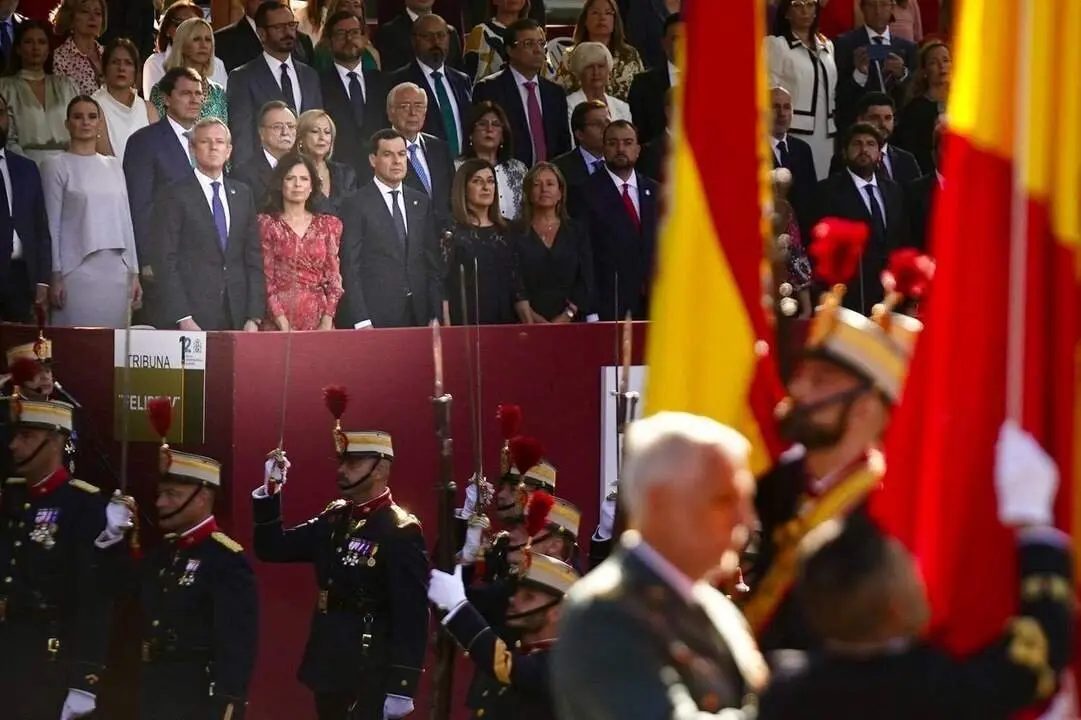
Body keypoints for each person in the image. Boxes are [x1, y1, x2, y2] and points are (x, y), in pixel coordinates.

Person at [758, 423, 1074, 719]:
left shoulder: (782, 691)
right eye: (907, 567)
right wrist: (1034, 525)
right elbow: (1038, 653)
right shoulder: (932, 688)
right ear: (896, 610)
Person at [743, 270, 923, 654]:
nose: (798, 390)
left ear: (864, 409)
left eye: (822, 380)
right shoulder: (774, 481)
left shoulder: (890, 509)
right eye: (803, 375)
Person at [550, 412, 769, 718]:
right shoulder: (603, 614)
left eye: (746, 500)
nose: (744, 520)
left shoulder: (716, 608)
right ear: (660, 503)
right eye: (724, 500)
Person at [251, 390, 429, 720]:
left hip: (370, 665)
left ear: (380, 469)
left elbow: (412, 615)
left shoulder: (400, 530)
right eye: (342, 462)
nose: (343, 470)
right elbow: (272, 547)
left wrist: (402, 685)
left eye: (353, 462)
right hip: (329, 660)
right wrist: (270, 492)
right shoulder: (334, 518)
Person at [0, 396, 131, 720]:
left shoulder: (83, 506)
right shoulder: (11, 498)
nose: (14, 445)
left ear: (55, 440)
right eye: (14, 435)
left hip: (50, 657)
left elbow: (96, 599)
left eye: (27, 436)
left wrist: (85, 680)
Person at [137, 400, 259, 719]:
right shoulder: (165, 553)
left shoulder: (226, 560)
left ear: (202, 497)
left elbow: (236, 647)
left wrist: (227, 706)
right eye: (160, 494)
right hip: (156, 689)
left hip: (196, 697)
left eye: (172, 495)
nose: (161, 503)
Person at [429, 551, 580, 720]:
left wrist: (457, 608)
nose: (513, 599)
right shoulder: (522, 648)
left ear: (556, 612)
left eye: (528, 597)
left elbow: (504, 663)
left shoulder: (564, 665)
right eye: (517, 592)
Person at [152, 117, 265, 331]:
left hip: (238, 315)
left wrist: (254, 316)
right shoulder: (174, 194)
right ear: (192, 148)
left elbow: (253, 257)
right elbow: (165, 260)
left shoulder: (242, 193)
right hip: (192, 315)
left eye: (220, 142)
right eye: (205, 142)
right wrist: (182, 316)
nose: (214, 147)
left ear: (229, 150)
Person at [40, 94, 141, 328]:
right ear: (67, 124)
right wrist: (54, 273)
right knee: (75, 348)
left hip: (117, 271)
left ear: (99, 123)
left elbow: (126, 219)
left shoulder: (114, 165)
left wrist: (134, 272)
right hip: (75, 271)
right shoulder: (54, 165)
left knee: (110, 351)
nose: (85, 122)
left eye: (92, 116)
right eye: (78, 117)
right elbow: (51, 225)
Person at [337, 128, 442, 329]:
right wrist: (361, 320)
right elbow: (350, 266)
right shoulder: (355, 204)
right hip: (375, 318)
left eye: (401, 154)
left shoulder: (420, 202)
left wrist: (434, 314)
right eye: (388, 154)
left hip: (419, 315)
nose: (397, 161)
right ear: (372, 159)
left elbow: (431, 263)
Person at [571, 119, 657, 321]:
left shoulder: (656, 191)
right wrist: (591, 310)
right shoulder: (584, 193)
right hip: (610, 306)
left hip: (655, 306)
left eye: (627, 143)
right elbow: (584, 257)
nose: (620, 149)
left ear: (637, 149)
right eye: (612, 143)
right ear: (604, 149)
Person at [226, 1, 323, 166]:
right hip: (263, 177)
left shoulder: (310, 75)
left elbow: (317, 126)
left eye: (291, 25)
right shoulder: (242, 77)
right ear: (261, 34)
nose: (288, 32)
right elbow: (242, 137)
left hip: (307, 173)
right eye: (279, 27)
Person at [258, 151, 344, 331]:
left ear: (312, 185)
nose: (298, 184)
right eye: (290, 178)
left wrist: (327, 319)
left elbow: (334, 279)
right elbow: (266, 279)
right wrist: (282, 322)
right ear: (280, 183)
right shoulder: (267, 225)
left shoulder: (328, 225)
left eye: (304, 179)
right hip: (278, 323)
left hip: (320, 321)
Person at [472, 18, 572, 167]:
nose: (538, 50)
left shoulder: (555, 93)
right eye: (529, 44)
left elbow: (563, 146)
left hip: (547, 181)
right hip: (506, 178)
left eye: (541, 43)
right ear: (510, 50)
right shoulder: (489, 89)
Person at [441, 157, 525, 325]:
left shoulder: (508, 230)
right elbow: (443, 285)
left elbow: (517, 284)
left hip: (504, 322)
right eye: (477, 182)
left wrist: (527, 320)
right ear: (463, 188)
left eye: (491, 181)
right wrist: (447, 329)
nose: (486, 187)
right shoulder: (451, 230)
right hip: (465, 324)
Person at [765, 0, 838, 180]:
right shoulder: (777, 45)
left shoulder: (827, 45)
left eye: (810, 4)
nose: (805, 11)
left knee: (821, 187)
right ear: (787, 12)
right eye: (798, 5)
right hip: (793, 131)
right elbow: (768, 91)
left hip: (827, 135)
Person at [514, 162, 593, 323]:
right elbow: (513, 279)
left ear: (560, 193)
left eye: (550, 184)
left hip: (571, 322)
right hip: (526, 321)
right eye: (537, 184)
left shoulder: (576, 231)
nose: (544, 189)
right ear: (528, 192)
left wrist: (567, 315)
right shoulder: (514, 232)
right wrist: (532, 317)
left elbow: (586, 278)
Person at [316, 8, 389, 181]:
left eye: (354, 32)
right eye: (341, 33)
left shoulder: (382, 81)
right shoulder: (318, 83)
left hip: (379, 174)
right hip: (338, 176)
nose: (349, 39)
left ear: (365, 38)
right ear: (329, 41)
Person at [386, 12, 471, 156]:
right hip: (427, 165)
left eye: (441, 35)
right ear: (414, 40)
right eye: (427, 36)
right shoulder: (398, 81)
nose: (435, 41)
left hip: (464, 165)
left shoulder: (462, 80)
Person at [0, 92, 51, 324]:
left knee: (24, 355)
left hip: (23, 280)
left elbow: (41, 228)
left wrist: (42, 281)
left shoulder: (26, 168)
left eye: (0, 114)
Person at [0, 20, 79, 166]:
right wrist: (28, 168)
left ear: (49, 49)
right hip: (22, 166)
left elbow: (79, 129)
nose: (35, 47)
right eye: (29, 42)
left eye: (41, 42)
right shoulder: (4, 87)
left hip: (69, 165)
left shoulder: (66, 85)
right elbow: (7, 138)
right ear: (18, 48)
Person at [553, 0, 644, 101]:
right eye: (595, 12)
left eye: (608, 13)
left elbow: (643, 93)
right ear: (585, 20)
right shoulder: (570, 56)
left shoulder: (629, 55)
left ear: (615, 21)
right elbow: (559, 94)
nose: (602, 18)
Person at [456, 100, 528, 221]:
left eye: (495, 124)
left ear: (502, 135)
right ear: (470, 134)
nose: (489, 129)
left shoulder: (518, 169)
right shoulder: (457, 168)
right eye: (482, 124)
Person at [150, 17, 229, 125]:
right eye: (196, 39)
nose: (203, 45)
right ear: (182, 44)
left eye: (208, 39)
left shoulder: (217, 92)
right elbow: (157, 132)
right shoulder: (162, 90)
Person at [142, 1, 227, 98]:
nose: (187, 31)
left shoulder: (218, 65)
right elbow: (156, 108)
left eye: (195, 26)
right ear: (167, 29)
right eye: (180, 24)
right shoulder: (155, 63)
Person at [93, 38, 157, 162]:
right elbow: (103, 157)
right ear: (105, 68)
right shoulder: (94, 106)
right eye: (115, 62)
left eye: (128, 63)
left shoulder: (148, 109)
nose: (121, 68)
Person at [230, 100, 298, 212]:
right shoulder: (244, 174)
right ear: (261, 133)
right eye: (277, 127)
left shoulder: (304, 167)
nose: (285, 132)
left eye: (291, 126)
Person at [563, 41, 631, 139]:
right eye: (590, 67)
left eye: (601, 66)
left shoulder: (622, 107)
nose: (596, 72)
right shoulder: (569, 105)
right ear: (580, 72)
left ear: (609, 72)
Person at [295, 108, 356, 216]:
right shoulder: (292, 172)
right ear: (300, 138)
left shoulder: (346, 173)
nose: (322, 137)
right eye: (315, 131)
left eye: (327, 132)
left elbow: (354, 213)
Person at [49, 0, 105, 96]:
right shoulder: (60, 58)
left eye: (98, 13)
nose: (93, 18)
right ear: (70, 18)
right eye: (85, 11)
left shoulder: (109, 53)